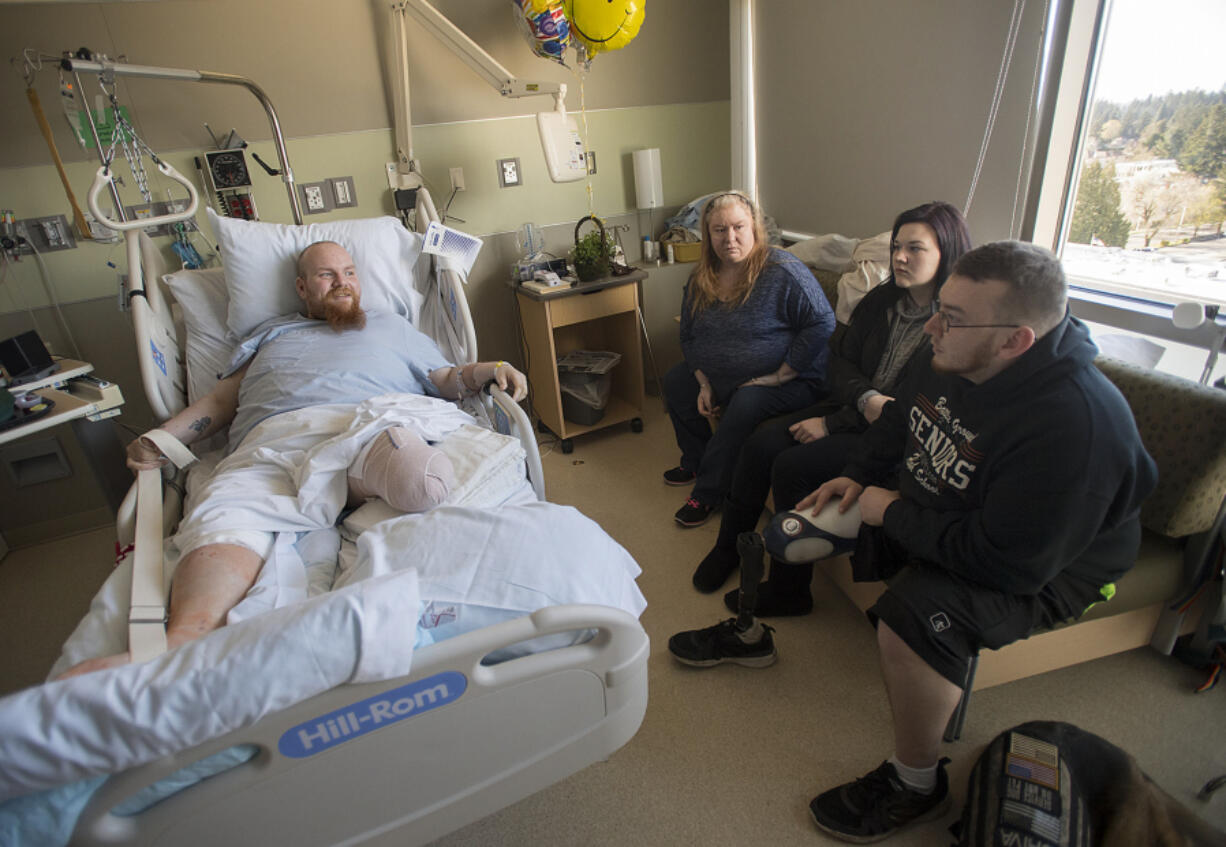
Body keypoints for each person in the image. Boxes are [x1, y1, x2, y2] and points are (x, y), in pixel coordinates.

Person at [669, 241, 1157, 842]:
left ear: (1016, 340)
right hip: (944, 501)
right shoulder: (952, 351)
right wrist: (862, 479)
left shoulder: (1074, 427)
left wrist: (888, 510)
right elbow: (901, 423)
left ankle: (914, 783)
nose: (933, 325)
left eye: (953, 316)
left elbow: (1002, 560)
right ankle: (764, 618)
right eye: (941, 307)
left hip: (1048, 565)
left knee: (912, 615)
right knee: (796, 498)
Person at [61, 240, 527, 678]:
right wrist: (161, 439)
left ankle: (383, 486)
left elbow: (444, 377)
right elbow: (221, 403)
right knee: (226, 512)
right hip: (280, 439)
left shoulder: (390, 325)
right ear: (303, 288)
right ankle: (183, 641)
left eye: (348, 272)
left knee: (416, 472)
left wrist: (492, 369)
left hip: (376, 421)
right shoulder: (270, 336)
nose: (342, 281)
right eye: (326, 275)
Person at [690, 202, 972, 609]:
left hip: (897, 439)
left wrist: (834, 424)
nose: (900, 257)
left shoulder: (954, 325)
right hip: (855, 408)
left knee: (790, 466)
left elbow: (917, 411)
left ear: (947, 251)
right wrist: (861, 399)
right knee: (758, 448)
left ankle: (790, 591)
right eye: (896, 247)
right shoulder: (882, 301)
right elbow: (838, 359)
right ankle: (727, 548)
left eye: (915, 248)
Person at [662, 191, 836, 527]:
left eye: (738, 227)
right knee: (675, 382)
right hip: (724, 376)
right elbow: (688, 335)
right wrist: (702, 383)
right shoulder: (702, 276)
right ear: (708, 235)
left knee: (745, 401)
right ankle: (695, 459)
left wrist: (783, 374)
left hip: (792, 381)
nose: (730, 238)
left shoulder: (782, 269)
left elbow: (823, 322)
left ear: (754, 228)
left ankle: (709, 492)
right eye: (719, 230)